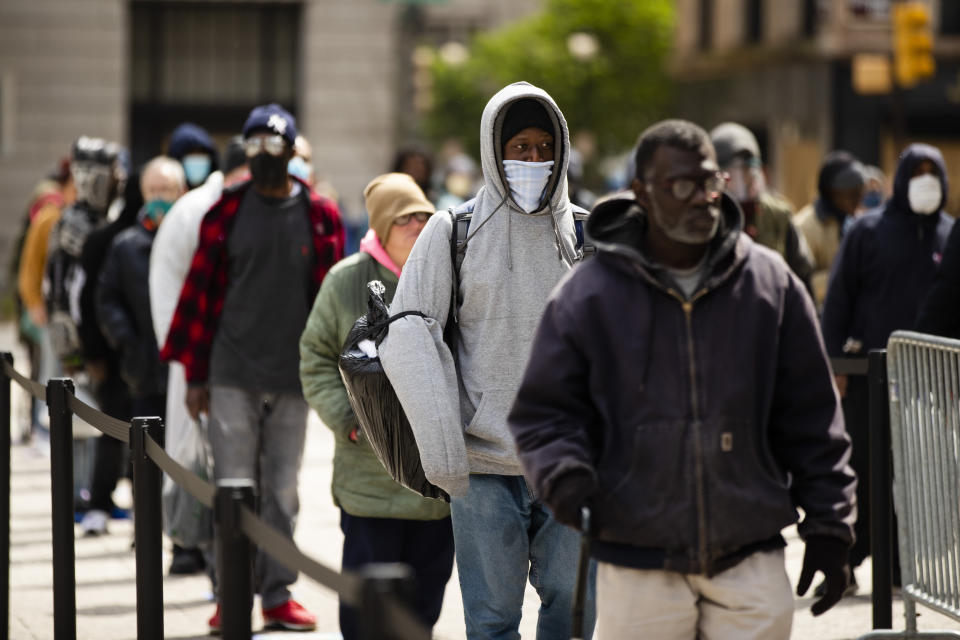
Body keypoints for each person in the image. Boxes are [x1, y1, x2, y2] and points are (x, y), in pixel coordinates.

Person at [507, 119, 857, 639]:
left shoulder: (769, 284)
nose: (703, 199)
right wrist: (566, 477)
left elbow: (811, 415)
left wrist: (830, 522)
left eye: (711, 182)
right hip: (637, 561)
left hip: (750, 556)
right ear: (642, 194)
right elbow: (543, 414)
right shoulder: (591, 294)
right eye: (682, 186)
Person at [379, 81, 597, 639]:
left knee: (573, 614)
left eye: (543, 147)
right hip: (483, 468)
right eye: (519, 146)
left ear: (561, 150)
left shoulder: (589, 233)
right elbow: (407, 329)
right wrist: (443, 446)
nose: (532, 159)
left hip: (570, 463)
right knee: (493, 620)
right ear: (494, 150)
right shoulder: (452, 231)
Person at [160, 103, 344, 634]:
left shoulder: (320, 215)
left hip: (294, 378)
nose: (265, 155)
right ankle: (230, 594)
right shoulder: (226, 212)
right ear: (245, 150)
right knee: (233, 486)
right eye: (255, 146)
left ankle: (277, 595)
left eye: (275, 145)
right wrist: (195, 377)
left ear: (292, 151)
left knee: (282, 491)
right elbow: (198, 298)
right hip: (231, 373)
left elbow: (330, 303)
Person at [299, 172, 453, 639]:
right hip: (368, 484)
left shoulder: (449, 274)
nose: (416, 224)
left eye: (423, 215)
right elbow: (315, 358)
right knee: (364, 614)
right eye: (404, 217)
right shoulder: (346, 279)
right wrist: (349, 420)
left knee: (424, 605)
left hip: (435, 487)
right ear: (383, 226)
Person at [822, 143, 953, 589]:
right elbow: (839, 298)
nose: (924, 181)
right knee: (863, 471)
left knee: (918, 476)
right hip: (869, 378)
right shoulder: (867, 231)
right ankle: (845, 561)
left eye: (931, 172)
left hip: (930, 384)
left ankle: (900, 566)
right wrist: (835, 360)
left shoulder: (948, 235)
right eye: (915, 172)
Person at [150, 136, 247, 577]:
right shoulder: (199, 212)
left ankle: (206, 549)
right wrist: (193, 364)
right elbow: (181, 298)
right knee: (196, 455)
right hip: (197, 356)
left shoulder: (215, 207)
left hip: (211, 354)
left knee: (211, 455)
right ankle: (193, 546)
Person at [45, 136, 132, 533]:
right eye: (110, 172)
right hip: (84, 347)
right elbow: (63, 292)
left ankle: (105, 495)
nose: (117, 178)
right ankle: (86, 498)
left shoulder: (108, 218)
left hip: (109, 343)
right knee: (86, 428)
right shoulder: (73, 224)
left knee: (110, 425)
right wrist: (76, 351)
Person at [96, 156, 186, 419]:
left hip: (187, 372)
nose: (158, 197)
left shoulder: (196, 239)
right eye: (152, 190)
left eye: (166, 190)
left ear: (181, 192)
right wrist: (128, 341)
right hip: (144, 373)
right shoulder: (125, 246)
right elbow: (107, 298)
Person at [710, 122, 813, 291]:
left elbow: (802, 271)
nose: (745, 182)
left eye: (750, 172)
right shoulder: (708, 215)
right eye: (735, 176)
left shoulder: (778, 214)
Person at [794, 151, 866, 307]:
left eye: (860, 193)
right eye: (852, 193)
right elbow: (799, 282)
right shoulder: (805, 226)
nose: (858, 199)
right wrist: (842, 277)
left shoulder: (855, 222)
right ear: (832, 192)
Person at [167, 122, 219, 190]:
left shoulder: (219, 195)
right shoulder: (168, 196)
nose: (196, 158)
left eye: (200, 153)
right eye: (190, 153)